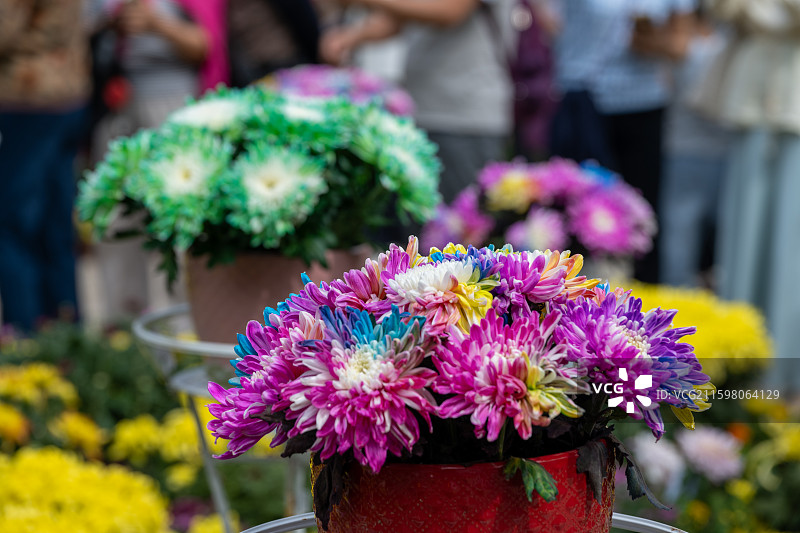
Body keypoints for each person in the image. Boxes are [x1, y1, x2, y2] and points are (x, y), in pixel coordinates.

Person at [86, 0, 227, 324]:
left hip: (171, 105)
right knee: (115, 220)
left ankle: (189, 333)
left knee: (180, 221)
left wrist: (156, 25)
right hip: (116, 107)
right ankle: (124, 333)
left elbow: (207, 46)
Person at [548, 0, 695, 283]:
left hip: (643, 105)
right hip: (584, 104)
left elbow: (680, 46)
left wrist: (650, 40)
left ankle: (640, 304)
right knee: (575, 212)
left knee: (642, 215)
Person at [696, 0, 800, 388]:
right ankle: (735, 365)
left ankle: (781, 377)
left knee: (789, 242)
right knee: (743, 232)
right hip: (756, 92)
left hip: (791, 90)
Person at [320, 0, 515, 204]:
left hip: (465, 119)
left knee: (458, 226)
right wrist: (350, 37)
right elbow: (400, 17)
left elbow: (451, 10)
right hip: (420, 113)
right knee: (414, 226)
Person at [0, 0, 91, 332]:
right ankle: (66, 331)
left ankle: (26, 337)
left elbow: (4, 29)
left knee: (11, 225)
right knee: (53, 225)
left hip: (28, 98)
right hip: (65, 92)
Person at [658, 9, 731, 288]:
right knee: (728, 242)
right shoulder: (726, 50)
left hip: (683, 152)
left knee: (679, 241)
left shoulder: (682, 51)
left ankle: (676, 305)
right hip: (725, 155)